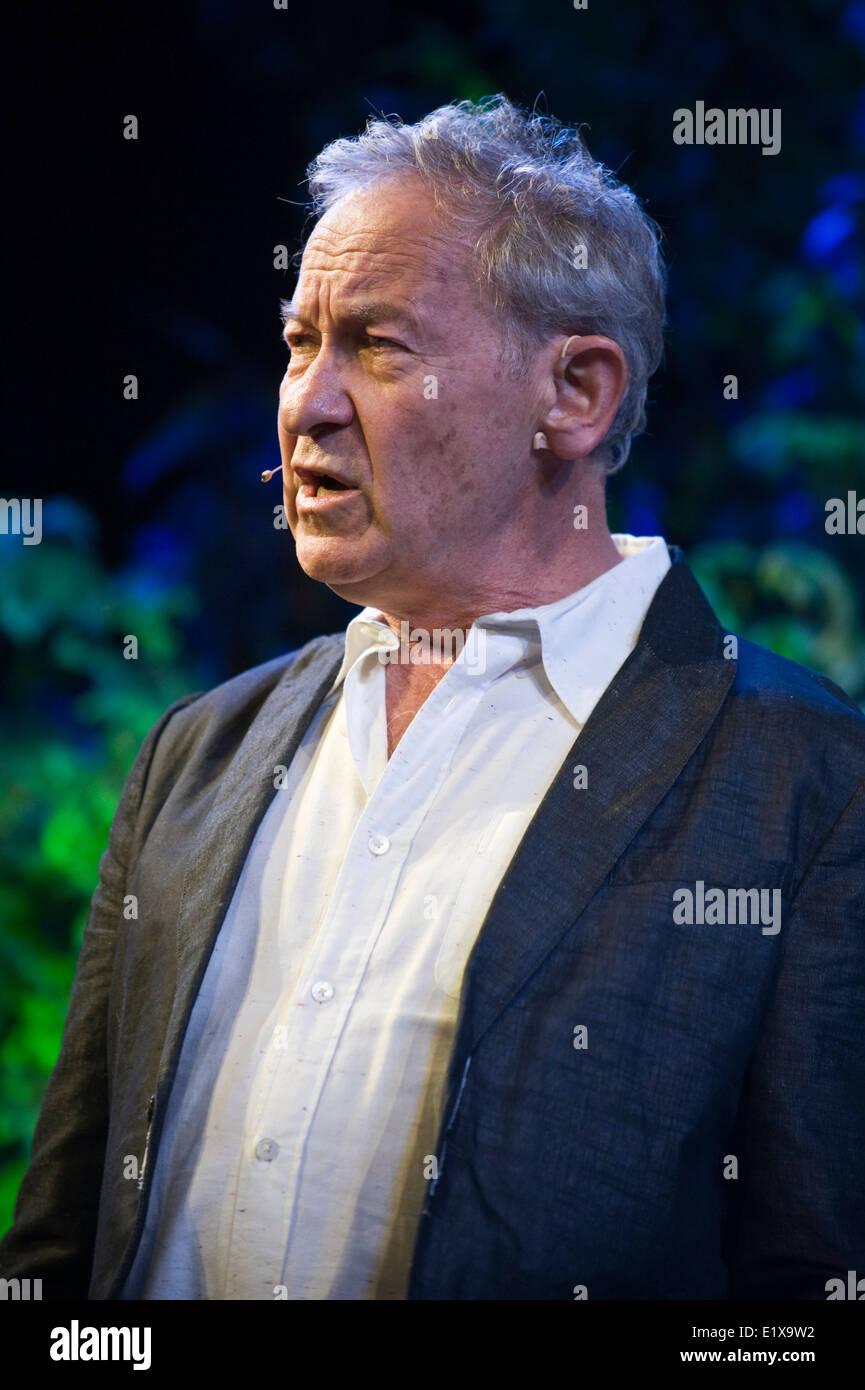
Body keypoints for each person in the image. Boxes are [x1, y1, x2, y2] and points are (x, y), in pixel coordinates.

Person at [1, 95, 863, 1302]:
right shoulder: (195, 755)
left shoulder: (807, 786)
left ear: (574, 394)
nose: (305, 402)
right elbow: (57, 1245)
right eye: (300, 342)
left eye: (378, 345)